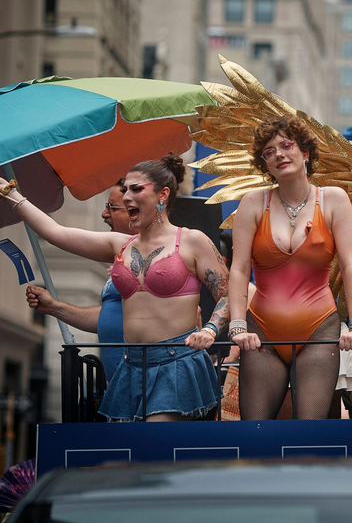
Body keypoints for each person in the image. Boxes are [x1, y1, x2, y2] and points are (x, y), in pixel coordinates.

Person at [0, 154, 229, 421]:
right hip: (129, 367)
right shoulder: (119, 244)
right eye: (125, 189)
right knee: (129, 455)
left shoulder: (192, 241)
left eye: (136, 189)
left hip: (176, 363)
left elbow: (228, 293)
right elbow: (54, 232)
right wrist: (10, 193)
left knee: (151, 448)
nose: (127, 196)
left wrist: (211, 330)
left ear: (163, 195)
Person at [228, 114, 352, 420]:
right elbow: (238, 269)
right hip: (262, 330)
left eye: (285, 145)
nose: (278, 154)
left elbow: (349, 265)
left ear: (305, 152)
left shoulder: (333, 200)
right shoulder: (252, 203)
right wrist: (237, 325)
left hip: (319, 327)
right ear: (264, 164)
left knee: (310, 434)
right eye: (268, 152)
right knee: (255, 432)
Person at [25, 180, 129, 381]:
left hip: (142, 384)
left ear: (136, 210)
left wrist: (12, 194)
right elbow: (111, 317)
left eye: (112, 207)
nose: (104, 214)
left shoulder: (140, 250)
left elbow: (56, 233)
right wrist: (54, 307)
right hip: (120, 382)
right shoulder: (124, 255)